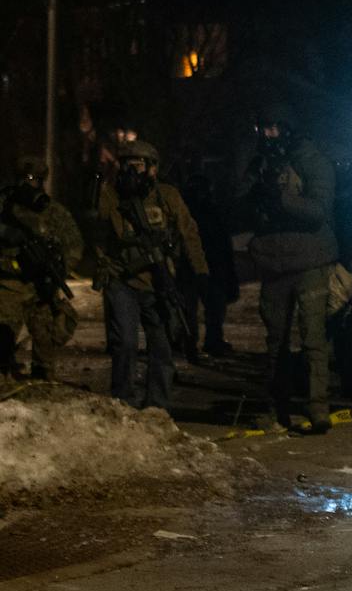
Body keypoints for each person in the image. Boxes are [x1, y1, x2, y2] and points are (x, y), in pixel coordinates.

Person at [241, 105, 341, 433]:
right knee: (275, 340)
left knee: (313, 338)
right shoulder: (259, 163)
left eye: (273, 128)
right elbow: (237, 204)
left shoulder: (312, 161)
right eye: (263, 128)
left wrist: (281, 197)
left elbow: (318, 211)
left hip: (309, 260)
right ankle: (276, 407)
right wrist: (253, 194)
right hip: (273, 260)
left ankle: (318, 407)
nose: (267, 135)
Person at [95, 141, 208, 411]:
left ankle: (157, 404)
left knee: (162, 345)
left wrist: (200, 271)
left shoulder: (167, 196)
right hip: (123, 279)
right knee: (125, 342)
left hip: (159, 281)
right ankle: (123, 401)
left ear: (153, 169)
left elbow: (189, 232)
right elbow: (105, 233)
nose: (132, 171)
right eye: (127, 165)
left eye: (139, 165)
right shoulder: (112, 195)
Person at [0, 156, 83, 382]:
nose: (30, 184)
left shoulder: (53, 212)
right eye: (25, 179)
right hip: (10, 284)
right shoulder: (4, 205)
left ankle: (42, 385)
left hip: (40, 286)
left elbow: (74, 245)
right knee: (3, 338)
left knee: (45, 344)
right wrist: (11, 263)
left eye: (35, 179)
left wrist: (58, 269)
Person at [180, 166, 239, 357]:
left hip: (206, 266)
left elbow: (222, 242)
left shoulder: (202, 211)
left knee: (207, 308)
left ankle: (200, 342)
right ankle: (196, 342)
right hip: (199, 265)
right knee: (197, 308)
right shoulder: (192, 211)